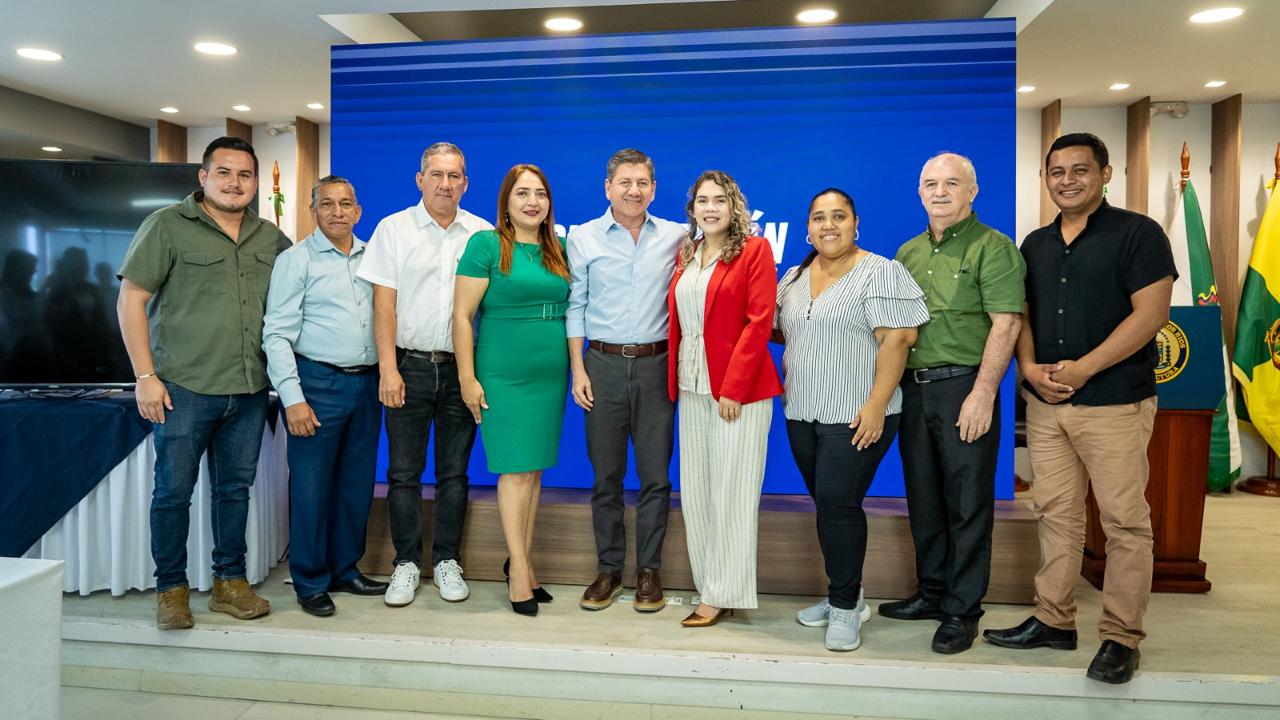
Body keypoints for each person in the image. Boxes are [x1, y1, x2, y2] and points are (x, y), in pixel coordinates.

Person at [984, 133, 1175, 685]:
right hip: (1046, 406)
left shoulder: (1138, 234)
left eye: (1079, 170)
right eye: (1057, 172)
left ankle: (1120, 637)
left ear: (1105, 174)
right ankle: (1053, 619)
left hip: (1114, 403)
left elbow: (1151, 315)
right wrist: (1028, 367)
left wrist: (1084, 368)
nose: (1067, 180)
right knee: (1055, 514)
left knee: (1123, 523)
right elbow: (1020, 312)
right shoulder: (1035, 244)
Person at [117, 136, 291, 630]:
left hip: (250, 389)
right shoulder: (167, 225)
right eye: (224, 173)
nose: (235, 183)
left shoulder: (271, 238)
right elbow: (131, 300)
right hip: (184, 389)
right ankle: (170, 590)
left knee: (234, 491)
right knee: (173, 493)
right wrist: (145, 377)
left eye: (244, 175)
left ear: (255, 183)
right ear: (204, 176)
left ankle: (229, 583)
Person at [882, 152, 1025, 654]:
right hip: (913, 389)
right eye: (930, 184)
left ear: (972, 191)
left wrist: (983, 393)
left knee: (967, 504)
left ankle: (962, 611)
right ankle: (932, 593)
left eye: (951, 183)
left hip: (965, 386)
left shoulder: (994, 248)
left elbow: (1007, 323)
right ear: (919, 192)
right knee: (923, 497)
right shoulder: (907, 253)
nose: (939, 192)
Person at [775, 188, 928, 651]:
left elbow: (898, 340)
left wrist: (877, 405)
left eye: (839, 216)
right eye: (819, 217)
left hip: (858, 414)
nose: (829, 225)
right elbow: (784, 331)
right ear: (808, 228)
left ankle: (845, 608)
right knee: (827, 506)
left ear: (856, 223)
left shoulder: (881, 272)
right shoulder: (794, 277)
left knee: (839, 505)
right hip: (802, 412)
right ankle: (847, 593)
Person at [356, 142, 493, 607]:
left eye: (454, 176)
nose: (445, 184)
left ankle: (447, 560)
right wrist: (388, 369)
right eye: (436, 174)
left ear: (465, 183)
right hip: (408, 366)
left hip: (462, 371)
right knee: (403, 473)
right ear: (420, 179)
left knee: (454, 473)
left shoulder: (482, 234)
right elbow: (383, 306)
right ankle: (407, 563)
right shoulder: (393, 229)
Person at [262, 175, 388, 618]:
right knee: (312, 488)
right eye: (328, 204)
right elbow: (276, 334)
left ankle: (344, 569)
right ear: (313, 211)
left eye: (346, 203)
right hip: (317, 384)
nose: (338, 212)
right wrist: (292, 398)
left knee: (356, 484)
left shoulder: (375, 257)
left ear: (358, 211)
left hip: (367, 384)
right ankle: (311, 580)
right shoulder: (295, 260)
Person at [567, 149, 685, 613]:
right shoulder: (583, 237)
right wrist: (578, 369)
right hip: (603, 365)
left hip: (657, 365)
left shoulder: (678, 236)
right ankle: (609, 569)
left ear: (653, 189)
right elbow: (576, 306)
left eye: (642, 183)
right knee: (606, 476)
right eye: (624, 182)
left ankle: (649, 571)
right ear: (608, 188)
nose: (633, 191)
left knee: (656, 477)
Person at [453, 164, 572, 617]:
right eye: (522, 193)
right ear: (505, 201)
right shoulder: (485, 244)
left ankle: (524, 562)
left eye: (540, 193)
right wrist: (467, 377)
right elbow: (462, 316)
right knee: (515, 471)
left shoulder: (559, 248)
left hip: (550, 373)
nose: (532, 202)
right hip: (504, 373)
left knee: (534, 471)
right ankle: (518, 571)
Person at [668, 170, 783, 628]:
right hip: (691, 385)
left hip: (738, 392)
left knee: (732, 494)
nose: (710, 208)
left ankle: (722, 594)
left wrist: (733, 388)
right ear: (692, 208)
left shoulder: (754, 250)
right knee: (697, 493)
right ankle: (711, 587)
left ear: (735, 207)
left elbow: (759, 322)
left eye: (720, 200)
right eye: (702, 200)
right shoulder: (687, 253)